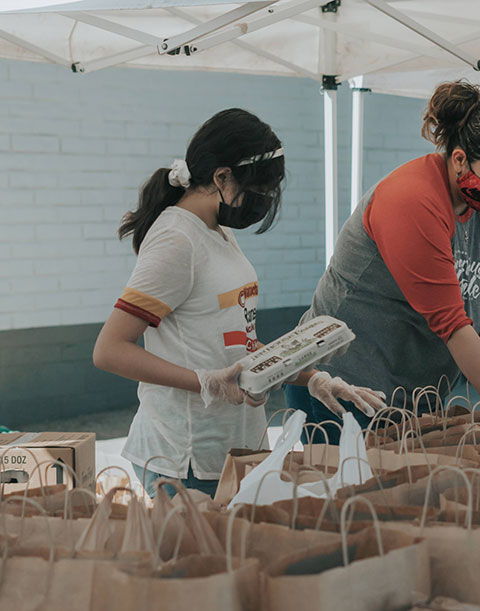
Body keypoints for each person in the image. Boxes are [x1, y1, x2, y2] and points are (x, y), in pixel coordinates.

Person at [93, 108, 385, 497]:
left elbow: (235, 345)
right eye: (259, 191)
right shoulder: (176, 240)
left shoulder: (217, 231)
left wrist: (309, 375)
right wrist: (206, 381)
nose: (263, 202)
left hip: (234, 449)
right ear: (222, 177)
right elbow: (109, 351)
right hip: (186, 458)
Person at [285, 80, 480, 443]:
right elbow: (452, 323)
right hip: (343, 387)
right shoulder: (411, 201)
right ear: (459, 159)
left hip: (410, 394)